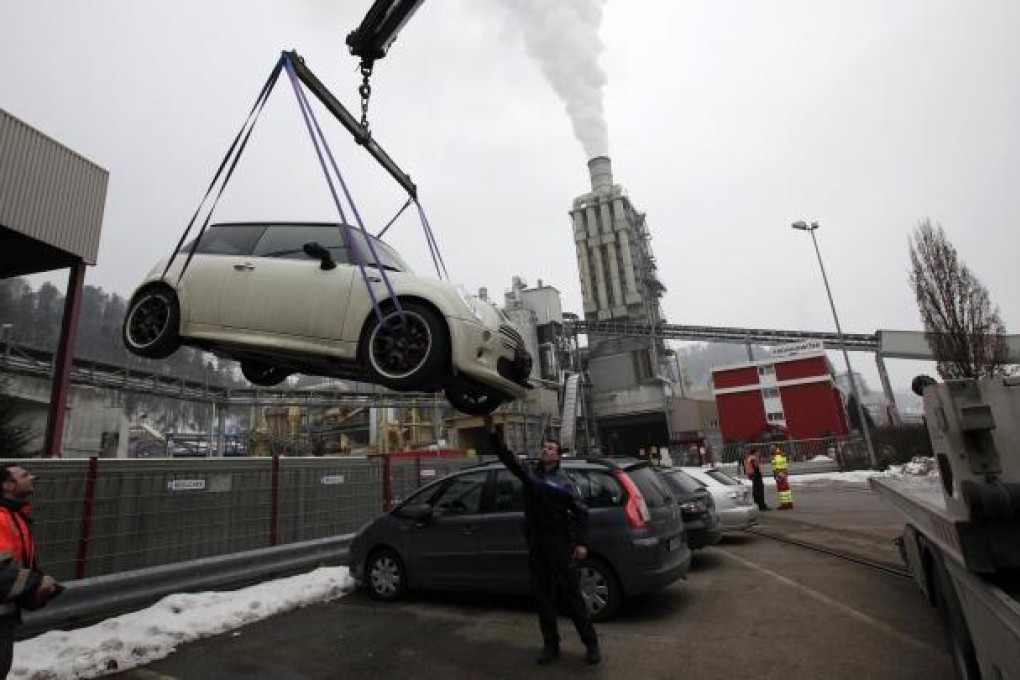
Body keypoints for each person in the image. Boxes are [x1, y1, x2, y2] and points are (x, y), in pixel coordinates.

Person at [482, 415, 600, 666]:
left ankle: (591, 644)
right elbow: (507, 457)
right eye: (544, 447)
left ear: (557, 456)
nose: (545, 450)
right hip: (537, 542)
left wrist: (581, 543)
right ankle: (550, 645)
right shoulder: (529, 474)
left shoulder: (565, 483)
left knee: (572, 596)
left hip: (559, 542)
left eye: (550, 448)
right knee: (543, 597)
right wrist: (492, 432)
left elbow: (582, 513)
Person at [0, 464, 62, 678]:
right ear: (7, 485)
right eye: (24, 475)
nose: (32, 477)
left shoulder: (16, 517)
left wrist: (38, 587)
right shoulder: (2, 518)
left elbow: (21, 564)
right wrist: (36, 582)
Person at [770, 445, 794, 510]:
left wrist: (776, 474)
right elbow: (784, 465)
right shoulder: (781, 454)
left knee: (781, 489)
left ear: (774, 449)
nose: (770, 451)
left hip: (779, 474)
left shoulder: (776, 457)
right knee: (786, 488)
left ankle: (784, 504)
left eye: (771, 450)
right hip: (784, 473)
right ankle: (789, 503)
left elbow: (776, 467)